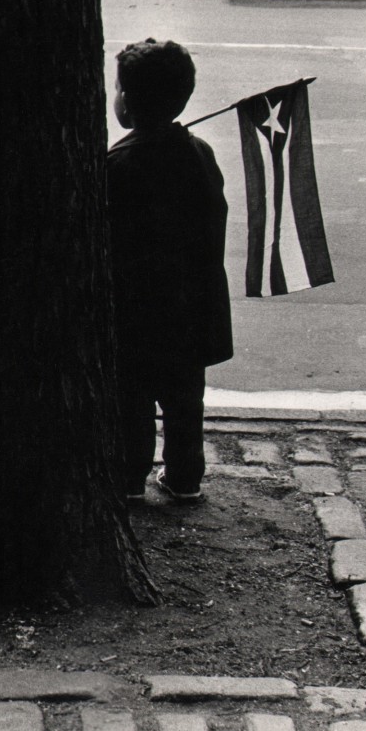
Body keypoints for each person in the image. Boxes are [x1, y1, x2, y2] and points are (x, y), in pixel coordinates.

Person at [107, 39, 233, 502]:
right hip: (192, 307)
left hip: (138, 313)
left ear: (128, 100)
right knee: (184, 402)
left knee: (131, 400)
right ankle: (184, 477)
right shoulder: (198, 152)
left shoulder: (117, 165)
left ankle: (128, 478)